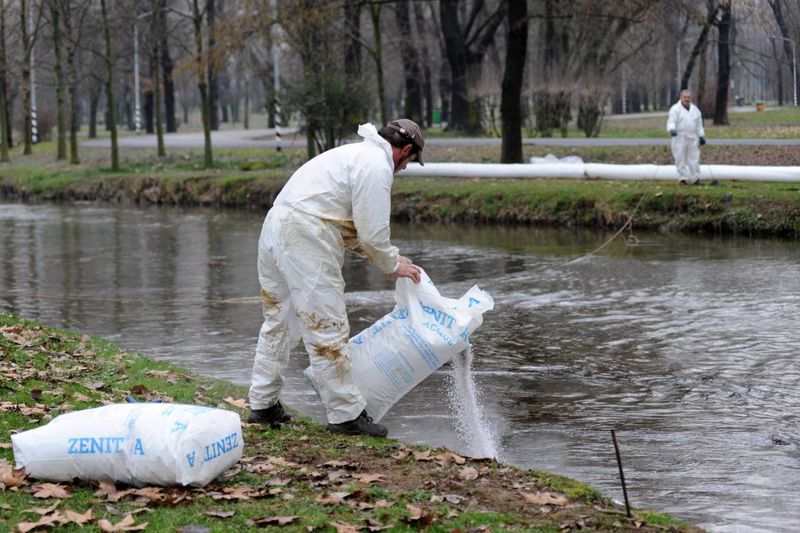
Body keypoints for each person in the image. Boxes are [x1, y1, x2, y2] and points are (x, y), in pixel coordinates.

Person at [247, 119, 424, 437]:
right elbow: (372, 232)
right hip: (306, 235)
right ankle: (345, 416)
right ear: (406, 150)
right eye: (409, 162)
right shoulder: (376, 167)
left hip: (276, 226)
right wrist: (391, 263)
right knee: (327, 325)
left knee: (280, 320)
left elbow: (344, 224)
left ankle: (262, 403)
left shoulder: (352, 154)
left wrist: (390, 257)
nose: (405, 168)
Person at [666, 90, 714, 185]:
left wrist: (701, 136)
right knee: (680, 157)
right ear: (681, 98)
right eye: (685, 97)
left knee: (694, 158)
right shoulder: (675, 109)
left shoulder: (695, 110)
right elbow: (671, 121)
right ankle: (683, 178)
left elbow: (699, 124)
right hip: (680, 137)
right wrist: (672, 129)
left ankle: (695, 178)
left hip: (692, 137)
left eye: (688, 97)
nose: (687, 99)